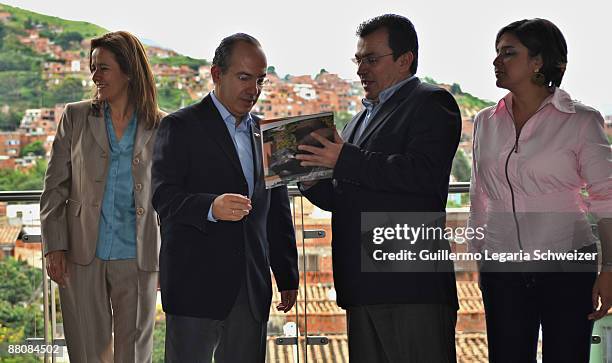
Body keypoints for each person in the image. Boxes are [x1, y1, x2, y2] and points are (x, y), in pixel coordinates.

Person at [297, 14, 461, 362]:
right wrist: (310, 179)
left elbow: (422, 176)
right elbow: (347, 193)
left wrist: (343, 159)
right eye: (358, 59)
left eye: (371, 59)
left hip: (410, 285)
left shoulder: (432, 103)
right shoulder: (358, 120)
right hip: (362, 286)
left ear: (405, 60)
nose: (361, 69)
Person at [468, 18, 612, 362]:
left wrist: (609, 269)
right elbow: (479, 194)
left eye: (509, 53)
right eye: (496, 53)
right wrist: (481, 253)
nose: (496, 61)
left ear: (538, 61)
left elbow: (606, 200)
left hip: (567, 266)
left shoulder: (580, 120)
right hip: (501, 267)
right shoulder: (485, 121)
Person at [151, 33, 299, 363]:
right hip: (194, 288)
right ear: (217, 74)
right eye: (244, 78)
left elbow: (278, 211)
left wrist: (287, 274)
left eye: (260, 80)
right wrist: (211, 207)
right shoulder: (179, 126)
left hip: (251, 289)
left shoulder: (269, 133)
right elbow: (163, 197)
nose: (254, 90)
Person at [40, 31, 163, 362]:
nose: (95, 76)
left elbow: (169, 198)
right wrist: (55, 246)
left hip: (138, 257)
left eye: (103, 68)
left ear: (128, 70)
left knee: (134, 353)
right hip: (82, 254)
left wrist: (167, 259)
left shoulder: (160, 125)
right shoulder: (75, 116)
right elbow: (55, 187)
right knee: (88, 352)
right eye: (93, 68)